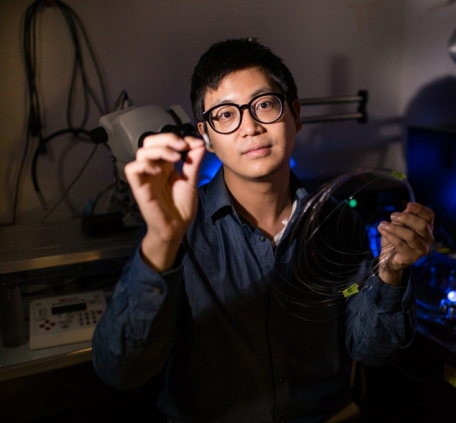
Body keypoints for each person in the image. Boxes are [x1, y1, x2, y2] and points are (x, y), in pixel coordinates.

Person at [92, 38, 435, 423]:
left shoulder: (338, 223)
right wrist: (161, 240)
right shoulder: (178, 228)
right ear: (206, 135)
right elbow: (120, 372)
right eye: (225, 114)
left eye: (264, 104)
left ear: (295, 114)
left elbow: (370, 349)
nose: (250, 127)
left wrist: (390, 271)